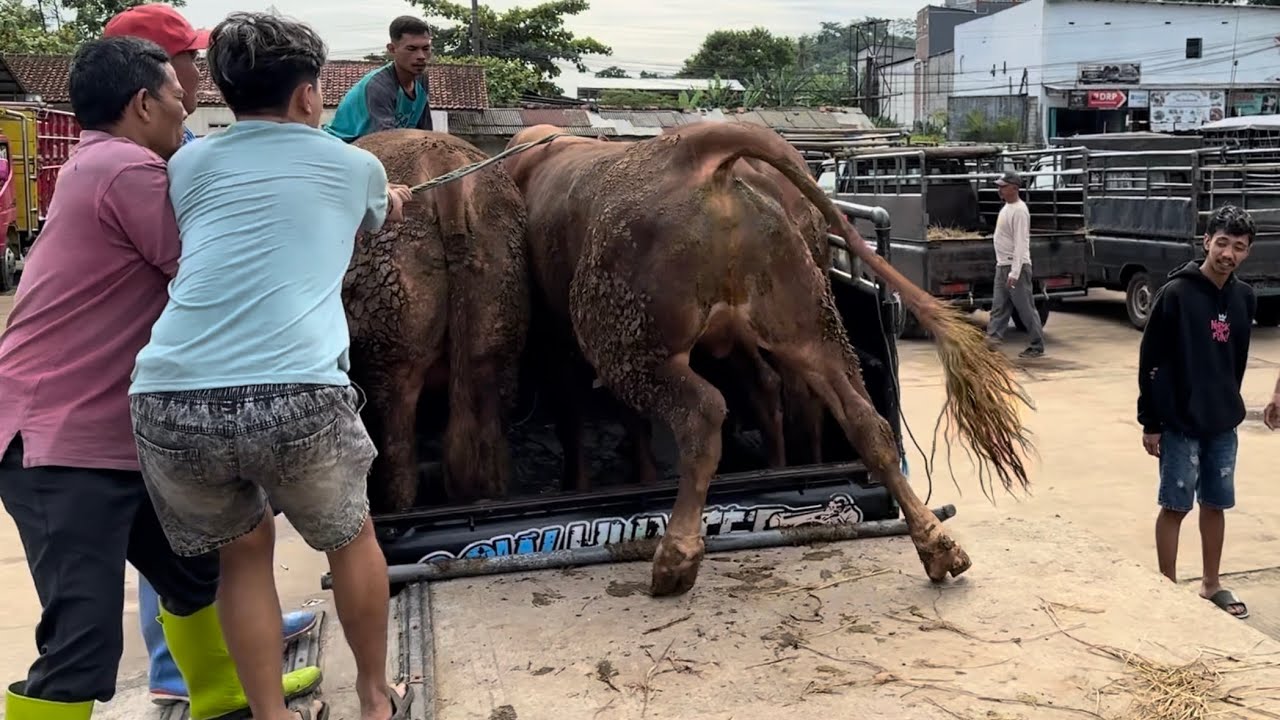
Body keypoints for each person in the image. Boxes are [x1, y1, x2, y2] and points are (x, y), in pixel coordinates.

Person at [0, 36, 320, 720]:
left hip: (114, 437)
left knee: (191, 571)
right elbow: (210, 275)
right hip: (60, 445)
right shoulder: (126, 171)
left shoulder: (103, 164)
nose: (188, 106)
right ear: (142, 104)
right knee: (81, 642)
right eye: (178, 97)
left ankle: (223, 695)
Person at [128, 12, 414, 720]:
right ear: (310, 96)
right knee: (351, 539)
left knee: (243, 555)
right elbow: (377, 212)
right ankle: (376, 700)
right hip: (298, 394)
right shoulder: (356, 167)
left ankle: (268, 714)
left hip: (171, 396)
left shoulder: (188, 162)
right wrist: (390, 200)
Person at [100, 3, 320, 706]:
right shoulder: (146, 160)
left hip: (188, 363)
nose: (194, 72)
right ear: (147, 79)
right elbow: (195, 261)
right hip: (153, 367)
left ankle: (235, 632)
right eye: (183, 60)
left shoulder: (179, 142)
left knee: (226, 521)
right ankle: (174, 663)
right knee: (174, 529)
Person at [1138, 204, 1257, 620]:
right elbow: (1149, 360)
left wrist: (1226, 399)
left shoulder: (1244, 297)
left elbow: (1236, 360)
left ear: (1246, 252)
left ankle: (1211, 584)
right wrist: (1151, 422)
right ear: (1206, 242)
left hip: (1222, 422)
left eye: (1238, 247)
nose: (1228, 253)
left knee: (1216, 503)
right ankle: (1166, 587)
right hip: (1179, 421)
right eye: (1221, 243)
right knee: (1175, 504)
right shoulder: (1176, 294)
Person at [324, 15, 434, 142]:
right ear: (392, 49)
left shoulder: (421, 79)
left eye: (426, 48)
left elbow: (425, 133)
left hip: (383, 147)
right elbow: (387, 141)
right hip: (344, 146)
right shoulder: (379, 85)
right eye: (411, 49)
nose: (421, 56)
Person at [985, 169, 1046, 359]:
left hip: (1015, 267)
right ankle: (991, 344)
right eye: (999, 187)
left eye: (1003, 187)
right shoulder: (1006, 208)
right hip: (1003, 265)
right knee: (999, 307)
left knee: (1025, 308)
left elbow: (1021, 243)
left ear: (1014, 188)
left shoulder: (1020, 211)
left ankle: (1037, 345)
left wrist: (1015, 272)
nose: (999, 190)